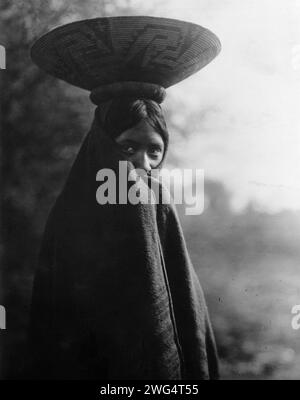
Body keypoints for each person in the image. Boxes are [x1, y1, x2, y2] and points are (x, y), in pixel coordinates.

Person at [25, 81, 220, 380]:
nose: (143, 164)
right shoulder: (73, 214)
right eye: (128, 147)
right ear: (102, 146)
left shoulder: (159, 203)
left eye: (154, 150)